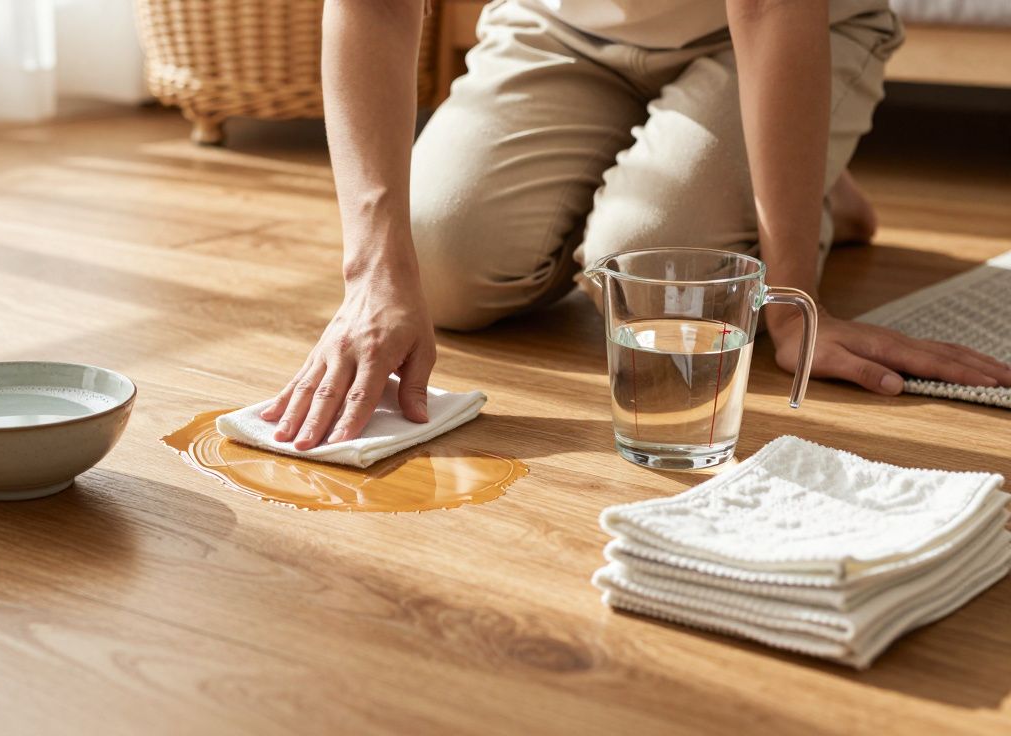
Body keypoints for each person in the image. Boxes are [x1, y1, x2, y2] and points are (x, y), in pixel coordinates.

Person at [262, 0, 1011, 450]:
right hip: (563, 26)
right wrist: (371, 273)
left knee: (652, 275)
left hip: (774, 26)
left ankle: (795, 184)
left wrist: (789, 302)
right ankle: (732, 169)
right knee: (440, 265)